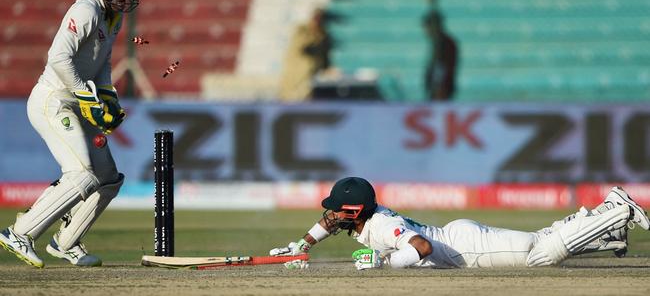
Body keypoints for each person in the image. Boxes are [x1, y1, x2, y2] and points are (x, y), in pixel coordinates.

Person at [0, 0, 145, 268]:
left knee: (108, 179)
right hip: (53, 100)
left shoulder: (113, 16)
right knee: (81, 174)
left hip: (78, 101)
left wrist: (108, 97)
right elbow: (58, 59)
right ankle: (19, 233)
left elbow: (102, 62)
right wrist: (87, 97)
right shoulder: (86, 9)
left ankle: (65, 242)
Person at [270, 177, 649, 269]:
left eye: (338, 209)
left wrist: (380, 262)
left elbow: (421, 249)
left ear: (354, 211)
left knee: (540, 254)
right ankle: (604, 230)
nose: (330, 215)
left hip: (465, 248)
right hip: (461, 235)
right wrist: (301, 245)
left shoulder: (382, 226)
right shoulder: (363, 218)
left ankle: (618, 210)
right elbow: (326, 224)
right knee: (541, 238)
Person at [279, 8, 333, 101]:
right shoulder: (302, 30)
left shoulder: (324, 36)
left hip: (311, 78)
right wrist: (315, 36)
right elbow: (301, 47)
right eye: (317, 18)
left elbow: (325, 58)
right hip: (295, 75)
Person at [423, 10, 458, 100]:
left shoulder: (443, 43)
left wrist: (438, 87)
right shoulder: (440, 42)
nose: (425, 31)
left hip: (441, 89)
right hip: (440, 88)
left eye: (427, 27)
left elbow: (441, 66)